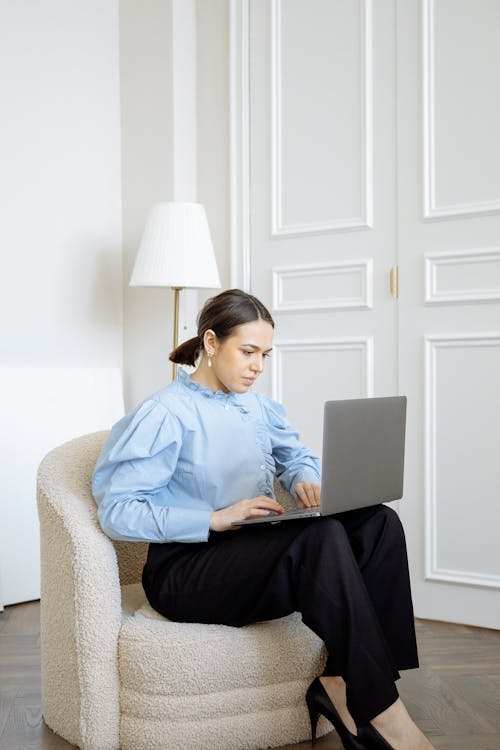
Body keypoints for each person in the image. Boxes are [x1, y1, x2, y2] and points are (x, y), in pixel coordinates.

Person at [92, 288, 435, 750]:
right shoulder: (166, 414)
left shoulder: (257, 406)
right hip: (185, 571)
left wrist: (303, 479)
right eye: (248, 352)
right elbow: (117, 510)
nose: (257, 366)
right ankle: (385, 714)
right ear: (210, 343)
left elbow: (296, 455)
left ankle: (339, 681)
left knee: (377, 523)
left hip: (248, 556)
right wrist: (211, 518)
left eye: (265, 355)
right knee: (321, 539)